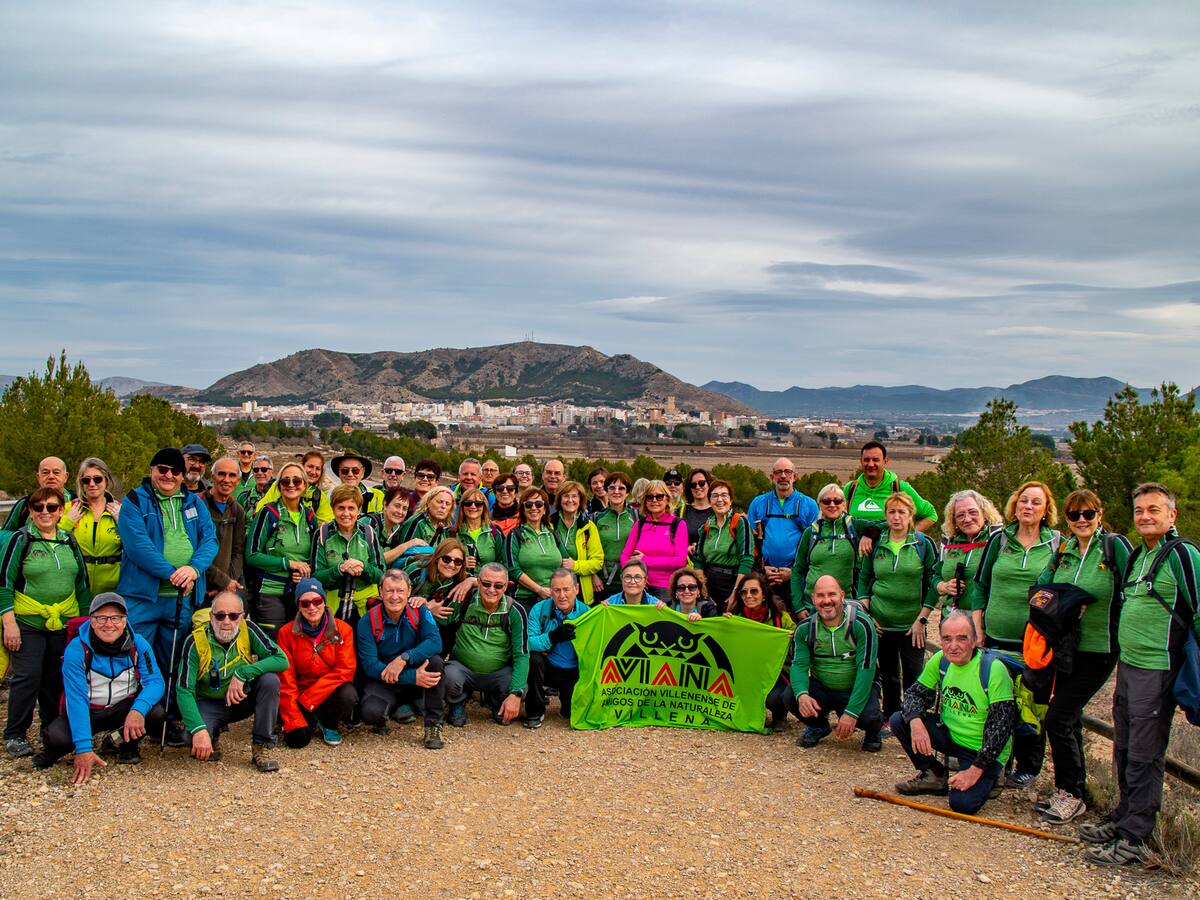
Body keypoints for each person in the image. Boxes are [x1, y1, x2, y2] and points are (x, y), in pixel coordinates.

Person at [1079, 482, 1200, 865]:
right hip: (1130, 666)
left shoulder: (1183, 555)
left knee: (1145, 755)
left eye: (1154, 510)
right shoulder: (1138, 556)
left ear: (1172, 515)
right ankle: (1123, 819)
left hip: (1159, 669)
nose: (1145, 517)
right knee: (1125, 747)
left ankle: (1136, 837)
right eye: (1139, 511)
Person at [1032, 489, 1131, 825]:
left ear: (1099, 514)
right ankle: (1071, 792)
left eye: (1088, 514)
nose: (1081, 521)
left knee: (1058, 717)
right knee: (1068, 717)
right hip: (1067, 647)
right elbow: (1041, 587)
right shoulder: (1065, 549)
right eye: (1074, 515)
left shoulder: (1113, 547)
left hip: (1101, 647)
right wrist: (1067, 599)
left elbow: (1131, 587)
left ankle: (1071, 793)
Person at [115, 447, 218, 725]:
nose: (169, 476)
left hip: (181, 598)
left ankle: (168, 718)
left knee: (173, 660)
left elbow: (210, 541)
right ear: (152, 470)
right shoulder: (135, 501)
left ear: (183, 475)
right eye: (163, 469)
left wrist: (193, 569)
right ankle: (134, 719)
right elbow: (138, 546)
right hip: (143, 597)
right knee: (138, 660)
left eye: (175, 471)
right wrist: (174, 573)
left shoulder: (194, 503)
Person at [974, 480, 1061, 787]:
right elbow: (980, 585)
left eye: (1036, 502)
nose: (1028, 507)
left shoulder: (1056, 544)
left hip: (1036, 641)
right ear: (1015, 504)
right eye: (1024, 500)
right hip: (996, 634)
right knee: (996, 700)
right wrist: (978, 626)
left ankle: (1028, 765)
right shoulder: (999, 540)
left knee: (1033, 703)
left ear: (1046, 509)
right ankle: (996, 759)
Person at [890, 610, 1016, 814]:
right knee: (899, 720)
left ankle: (992, 775)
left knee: (962, 804)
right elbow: (914, 694)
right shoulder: (941, 660)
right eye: (947, 639)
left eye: (961, 639)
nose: (953, 646)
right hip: (951, 734)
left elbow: (1001, 727)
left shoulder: (993, 670)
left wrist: (976, 770)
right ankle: (934, 775)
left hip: (982, 749)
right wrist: (915, 721)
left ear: (975, 640)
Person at [33, 592, 166, 780]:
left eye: (115, 618)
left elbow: (155, 681)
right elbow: (76, 699)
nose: (109, 624)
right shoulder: (77, 650)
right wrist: (84, 749)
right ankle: (62, 750)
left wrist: (138, 710)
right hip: (88, 710)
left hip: (123, 707)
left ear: (125, 620)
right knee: (56, 739)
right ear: (92, 621)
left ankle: (124, 744)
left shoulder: (138, 644)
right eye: (101, 618)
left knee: (155, 713)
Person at [1, 486, 92, 757]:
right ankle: (15, 733)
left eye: (52, 507)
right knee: (27, 677)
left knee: (55, 679)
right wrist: (8, 622)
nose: (45, 512)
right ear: (30, 511)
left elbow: (82, 585)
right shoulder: (21, 540)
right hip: (28, 620)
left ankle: (51, 731)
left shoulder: (68, 541)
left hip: (63, 621)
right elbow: (4, 582)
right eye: (38, 507)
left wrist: (84, 622)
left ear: (60, 511)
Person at [176, 591, 289, 771]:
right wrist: (198, 729)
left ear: (242, 617)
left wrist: (243, 673)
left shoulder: (249, 629)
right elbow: (184, 690)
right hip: (210, 703)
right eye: (220, 615)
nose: (226, 622)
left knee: (270, 681)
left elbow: (281, 660)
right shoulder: (195, 641)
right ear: (211, 617)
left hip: (242, 699)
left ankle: (261, 746)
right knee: (191, 739)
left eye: (233, 616)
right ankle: (212, 733)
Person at [855, 492, 937, 724]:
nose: (897, 517)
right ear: (886, 515)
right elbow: (864, 577)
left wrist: (923, 618)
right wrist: (866, 609)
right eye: (892, 512)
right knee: (889, 673)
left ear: (911, 515)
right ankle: (890, 715)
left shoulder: (923, 544)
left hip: (912, 623)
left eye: (902, 512)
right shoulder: (877, 543)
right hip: (881, 621)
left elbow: (933, 581)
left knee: (913, 673)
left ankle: (913, 717)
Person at [355, 569, 446, 749]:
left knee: (435, 662)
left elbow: (435, 643)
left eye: (400, 591)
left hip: (411, 670)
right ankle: (399, 707)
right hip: (385, 678)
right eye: (389, 591)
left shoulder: (418, 610)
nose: (395, 597)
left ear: (409, 592)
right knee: (371, 714)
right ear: (381, 592)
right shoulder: (367, 621)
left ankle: (433, 724)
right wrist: (412, 677)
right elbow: (370, 666)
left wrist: (404, 658)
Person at [792, 575, 882, 751]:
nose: (827, 601)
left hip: (854, 687)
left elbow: (866, 670)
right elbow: (799, 666)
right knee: (791, 696)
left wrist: (852, 712)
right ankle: (818, 726)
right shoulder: (805, 628)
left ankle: (873, 732)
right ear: (813, 599)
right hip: (823, 687)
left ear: (842, 595)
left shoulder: (861, 624)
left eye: (832, 594)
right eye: (820, 596)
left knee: (870, 716)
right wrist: (802, 695)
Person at [443, 562, 529, 727]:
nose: (491, 589)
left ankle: (497, 702)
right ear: (478, 582)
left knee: (520, 686)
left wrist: (515, 695)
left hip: (498, 672)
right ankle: (457, 702)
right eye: (486, 584)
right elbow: (439, 620)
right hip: (462, 668)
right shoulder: (464, 600)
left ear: (506, 586)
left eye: (498, 585)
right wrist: (426, 606)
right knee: (447, 676)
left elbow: (522, 654)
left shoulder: (515, 611)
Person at [276, 579, 357, 748]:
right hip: (300, 692)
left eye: (317, 601)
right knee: (296, 741)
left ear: (324, 602)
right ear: (298, 606)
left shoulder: (343, 630)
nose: (312, 607)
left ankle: (330, 724)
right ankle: (311, 719)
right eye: (305, 603)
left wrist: (310, 699)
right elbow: (286, 677)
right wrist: (294, 718)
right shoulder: (286, 633)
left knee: (348, 694)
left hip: (327, 692)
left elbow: (345, 670)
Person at [245, 462, 319, 634]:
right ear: (279, 486)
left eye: (297, 481)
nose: (291, 485)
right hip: (270, 591)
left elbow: (314, 556)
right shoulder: (268, 513)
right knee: (275, 645)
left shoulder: (309, 517)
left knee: (297, 645)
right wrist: (289, 564)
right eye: (285, 481)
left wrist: (305, 570)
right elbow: (251, 555)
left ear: (305, 485)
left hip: (300, 593)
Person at [747, 458, 819, 614]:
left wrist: (794, 572)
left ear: (795, 476)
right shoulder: (758, 503)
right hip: (765, 576)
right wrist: (760, 569)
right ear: (772, 477)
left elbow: (814, 547)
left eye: (788, 472)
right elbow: (750, 543)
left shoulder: (809, 504)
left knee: (796, 619)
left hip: (796, 578)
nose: (783, 476)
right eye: (778, 472)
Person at [726, 572, 796, 730]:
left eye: (754, 591)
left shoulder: (780, 618)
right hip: (747, 675)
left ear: (764, 594)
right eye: (744, 592)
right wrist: (725, 626)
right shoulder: (735, 618)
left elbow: (800, 646)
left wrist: (793, 638)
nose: (748, 596)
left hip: (776, 674)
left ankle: (780, 715)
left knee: (776, 698)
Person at [844, 442, 937, 553]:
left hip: (888, 562)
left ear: (885, 461)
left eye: (875, 460)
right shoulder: (851, 489)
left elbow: (931, 515)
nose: (871, 464)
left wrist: (908, 536)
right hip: (855, 562)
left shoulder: (899, 488)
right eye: (866, 460)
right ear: (861, 461)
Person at [525, 567, 589, 726]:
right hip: (549, 667)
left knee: (569, 714)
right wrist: (552, 637)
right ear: (550, 591)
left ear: (577, 589)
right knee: (532, 658)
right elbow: (528, 643)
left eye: (566, 589)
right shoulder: (539, 609)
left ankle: (567, 703)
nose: (562, 595)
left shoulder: (587, 613)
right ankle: (535, 710)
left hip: (574, 672)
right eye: (556, 590)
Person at [312, 485, 384, 621]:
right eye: (341, 508)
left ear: (358, 510)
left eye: (351, 508)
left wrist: (363, 567)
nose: (346, 513)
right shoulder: (322, 534)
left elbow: (381, 575)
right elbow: (316, 577)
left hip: (365, 609)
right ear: (333, 509)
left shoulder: (368, 533)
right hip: (332, 608)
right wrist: (339, 569)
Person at [789, 483, 858, 621]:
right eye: (826, 501)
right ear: (819, 504)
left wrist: (870, 534)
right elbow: (797, 570)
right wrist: (798, 606)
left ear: (844, 504)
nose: (832, 504)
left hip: (846, 605)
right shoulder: (811, 532)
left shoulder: (855, 528)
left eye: (837, 501)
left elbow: (883, 526)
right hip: (812, 606)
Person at [932, 490, 1003, 616]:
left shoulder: (998, 540)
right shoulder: (949, 542)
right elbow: (935, 575)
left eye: (973, 512)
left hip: (986, 617)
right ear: (954, 520)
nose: (967, 519)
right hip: (951, 616)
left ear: (984, 514)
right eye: (960, 515)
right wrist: (943, 586)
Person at [692, 479, 754, 611]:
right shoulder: (706, 527)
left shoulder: (740, 523)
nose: (720, 500)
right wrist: (703, 590)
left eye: (724, 495)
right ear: (709, 501)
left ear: (731, 500)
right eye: (715, 496)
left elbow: (747, 559)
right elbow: (698, 560)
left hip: (732, 582)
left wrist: (736, 592)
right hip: (709, 583)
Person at [619, 479, 688, 598]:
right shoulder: (640, 524)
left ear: (667, 499)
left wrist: (646, 560)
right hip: (639, 587)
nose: (654, 500)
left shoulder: (677, 524)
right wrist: (634, 576)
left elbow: (680, 561)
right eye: (650, 497)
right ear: (645, 501)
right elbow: (625, 556)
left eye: (659, 497)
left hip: (666, 588)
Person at [65, 457, 122, 594]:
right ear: (81, 483)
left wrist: (122, 523)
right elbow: (52, 540)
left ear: (106, 480)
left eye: (97, 479)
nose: (92, 484)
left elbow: (134, 545)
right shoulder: (69, 509)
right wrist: (67, 522)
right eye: (86, 480)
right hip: (78, 585)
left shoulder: (120, 510)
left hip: (113, 586)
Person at [506, 487, 566, 611]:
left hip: (554, 598)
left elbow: (566, 563)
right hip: (525, 599)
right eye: (528, 505)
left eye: (539, 504)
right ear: (523, 510)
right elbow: (512, 569)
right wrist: (539, 589)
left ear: (545, 510)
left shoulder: (554, 534)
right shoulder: (515, 535)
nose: (534, 508)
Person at [201, 456, 245, 604]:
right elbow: (194, 551)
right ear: (212, 476)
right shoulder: (199, 504)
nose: (226, 480)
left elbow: (238, 550)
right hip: (199, 585)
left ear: (238, 480)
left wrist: (228, 584)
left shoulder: (237, 510)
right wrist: (223, 581)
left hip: (226, 588)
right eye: (222, 474)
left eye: (232, 475)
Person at [552, 481, 604, 606]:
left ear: (580, 500)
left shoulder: (589, 527)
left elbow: (597, 561)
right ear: (559, 500)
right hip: (553, 588)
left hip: (581, 592)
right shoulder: (549, 524)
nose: (570, 500)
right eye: (566, 496)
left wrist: (575, 566)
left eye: (574, 496)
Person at [251, 450, 333, 523]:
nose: (313, 472)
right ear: (302, 466)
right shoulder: (281, 485)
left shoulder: (319, 497)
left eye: (318, 469)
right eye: (310, 467)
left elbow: (325, 524)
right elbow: (260, 512)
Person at [593, 472, 637, 600]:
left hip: (630, 580)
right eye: (612, 487)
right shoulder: (596, 518)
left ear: (627, 492)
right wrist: (593, 576)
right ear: (606, 491)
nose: (616, 491)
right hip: (601, 582)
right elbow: (588, 550)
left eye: (621, 488)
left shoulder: (636, 517)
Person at [2, 456, 73, 532]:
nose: (51, 476)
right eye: (45, 472)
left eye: (56, 472)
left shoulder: (77, 502)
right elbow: (4, 534)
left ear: (66, 477)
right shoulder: (25, 504)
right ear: (38, 477)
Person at [397, 485, 456, 570]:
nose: (443, 506)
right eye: (439, 502)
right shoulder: (417, 522)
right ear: (428, 502)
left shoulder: (444, 527)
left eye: (447, 504)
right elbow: (403, 556)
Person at [455, 488, 505, 579]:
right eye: (468, 503)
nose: (473, 507)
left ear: (484, 507)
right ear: (462, 506)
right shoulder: (452, 533)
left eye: (478, 504)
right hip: (459, 584)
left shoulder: (494, 531)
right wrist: (459, 562)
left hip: (488, 585)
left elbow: (502, 562)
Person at [376, 485, 421, 566]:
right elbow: (375, 561)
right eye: (397, 506)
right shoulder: (370, 523)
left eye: (404, 508)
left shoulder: (397, 529)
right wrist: (408, 544)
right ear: (385, 504)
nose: (400, 512)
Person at [680, 468, 713, 547]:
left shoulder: (718, 510)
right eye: (693, 485)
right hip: (687, 558)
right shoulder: (680, 512)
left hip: (714, 559)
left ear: (709, 484)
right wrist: (686, 549)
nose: (697, 487)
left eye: (702, 483)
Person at [489, 472, 522, 536]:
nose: (505, 491)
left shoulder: (524, 516)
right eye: (500, 488)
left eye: (510, 488)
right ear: (495, 493)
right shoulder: (487, 518)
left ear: (516, 492)